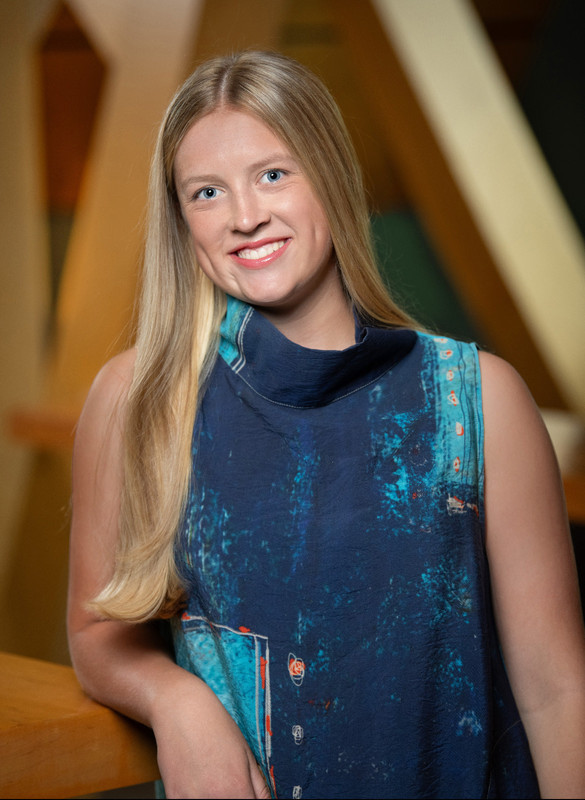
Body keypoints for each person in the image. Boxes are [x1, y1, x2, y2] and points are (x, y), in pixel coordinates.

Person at [67, 50, 585, 799]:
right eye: (206, 192)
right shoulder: (135, 399)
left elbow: (555, 688)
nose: (245, 216)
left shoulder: (477, 399)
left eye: (273, 174)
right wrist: (178, 703)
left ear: (333, 176)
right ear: (181, 219)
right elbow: (96, 640)